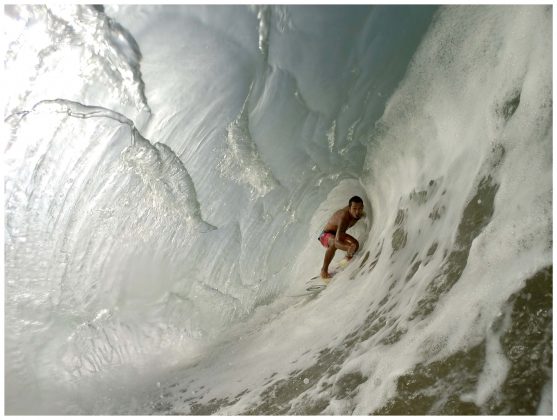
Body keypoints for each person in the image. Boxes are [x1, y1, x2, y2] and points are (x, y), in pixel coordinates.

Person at [318, 196, 364, 280]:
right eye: (354, 208)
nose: (357, 211)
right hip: (325, 235)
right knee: (334, 243)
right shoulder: (344, 217)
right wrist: (348, 247)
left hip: (338, 233)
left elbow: (340, 235)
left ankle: (345, 260)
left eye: (360, 208)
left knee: (355, 244)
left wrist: (351, 248)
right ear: (349, 208)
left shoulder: (358, 213)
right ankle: (324, 270)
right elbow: (337, 240)